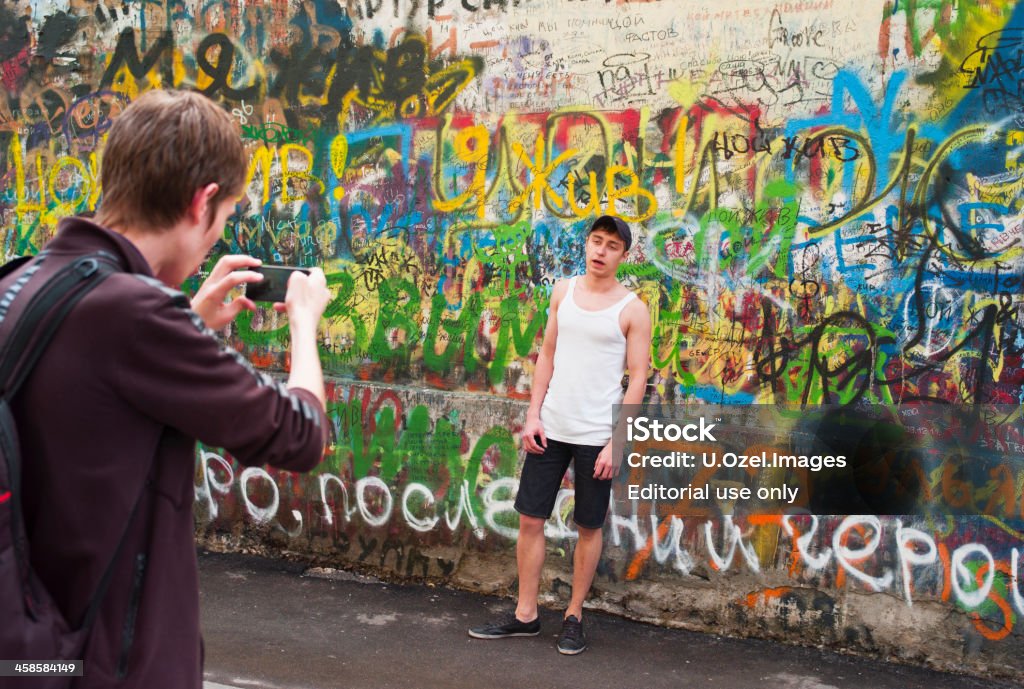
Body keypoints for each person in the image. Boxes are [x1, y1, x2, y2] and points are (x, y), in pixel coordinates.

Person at [4, 90, 332, 687]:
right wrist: (304, 324)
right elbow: (300, 436)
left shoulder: (26, 281)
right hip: (109, 665)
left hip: (33, 651)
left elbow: (94, 399)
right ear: (201, 201)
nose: (215, 237)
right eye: (226, 216)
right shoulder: (134, 316)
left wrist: (189, 321)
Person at [468, 215, 651, 654]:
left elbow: (640, 377)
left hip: (596, 437)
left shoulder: (632, 309)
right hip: (551, 427)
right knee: (531, 518)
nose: (600, 251)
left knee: (588, 525)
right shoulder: (563, 292)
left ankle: (573, 616)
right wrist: (533, 414)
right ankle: (526, 615)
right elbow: (546, 354)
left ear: (624, 256)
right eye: (596, 241)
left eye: (611, 245)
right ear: (587, 244)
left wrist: (617, 441)